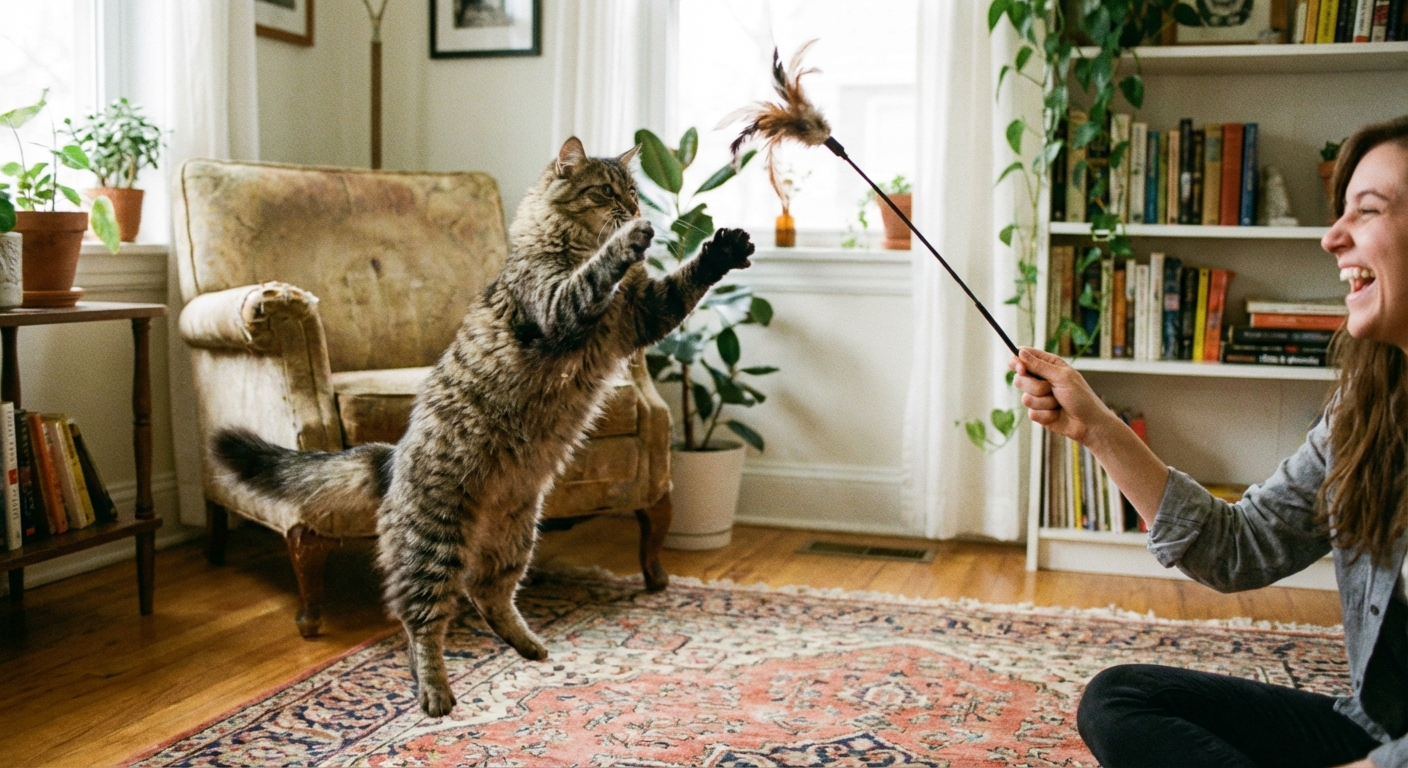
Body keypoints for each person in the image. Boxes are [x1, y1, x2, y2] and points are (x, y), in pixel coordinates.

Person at [1011, 114, 1408, 768]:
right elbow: (1238, 547)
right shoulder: (1365, 411)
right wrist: (1095, 427)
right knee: (1120, 699)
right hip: (1379, 729)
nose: (1332, 237)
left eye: (1365, 211)